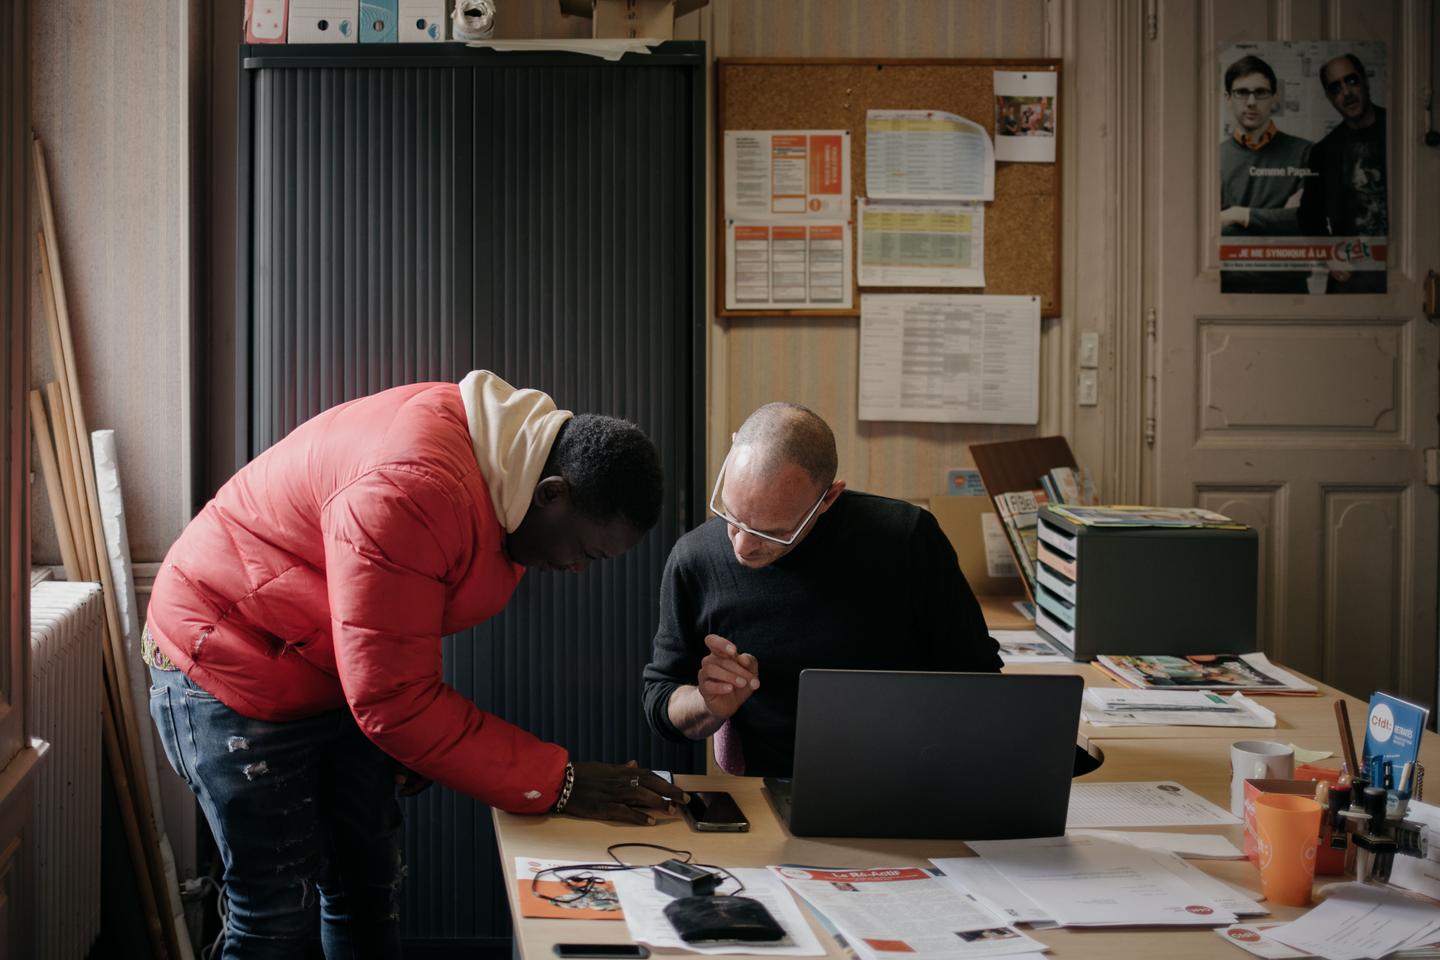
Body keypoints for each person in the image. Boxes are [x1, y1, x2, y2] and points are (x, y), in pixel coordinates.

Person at [144, 370, 678, 958]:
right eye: (585, 551)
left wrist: (416, 741)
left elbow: (397, 625)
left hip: (323, 663)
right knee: (275, 910)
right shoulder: (414, 484)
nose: (579, 569)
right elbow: (393, 701)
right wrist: (559, 781)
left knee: (366, 889)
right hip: (229, 656)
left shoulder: (505, 467)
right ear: (552, 493)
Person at [641, 402, 1001, 778]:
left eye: (774, 533)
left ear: (828, 498)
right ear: (732, 451)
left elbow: (977, 678)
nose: (742, 547)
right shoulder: (695, 558)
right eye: (731, 516)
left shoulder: (906, 539)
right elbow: (660, 701)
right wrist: (707, 703)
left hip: (909, 771)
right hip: (775, 785)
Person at [1218, 54, 1312, 294]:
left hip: (1289, 293)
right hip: (1228, 293)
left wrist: (1239, 214)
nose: (1251, 101)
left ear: (1275, 98)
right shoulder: (1212, 158)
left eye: (1260, 92)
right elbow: (1207, 232)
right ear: (1228, 99)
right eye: (1241, 92)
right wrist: (1279, 221)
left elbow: (1308, 223)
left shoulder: (1306, 153)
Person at [1298, 52, 1388, 294]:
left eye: (1351, 81)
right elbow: (1309, 217)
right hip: (1352, 277)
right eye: (1335, 88)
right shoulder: (1324, 151)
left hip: (1404, 269)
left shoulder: (1400, 130)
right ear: (1330, 98)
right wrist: (1329, 254)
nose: (1346, 93)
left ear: (1365, 82)